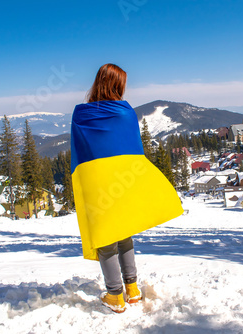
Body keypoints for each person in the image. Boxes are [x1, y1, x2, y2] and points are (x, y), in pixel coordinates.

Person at [70, 64, 183, 313]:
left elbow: (81, 152)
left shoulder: (81, 114)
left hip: (97, 181)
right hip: (125, 181)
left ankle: (114, 295)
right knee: (124, 233)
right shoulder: (126, 113)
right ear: (117, 85)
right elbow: (134, 152)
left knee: (106, 238)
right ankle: (131, 290)